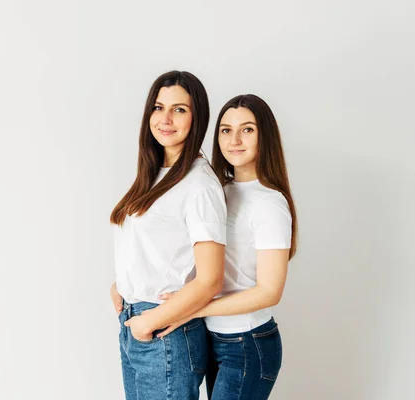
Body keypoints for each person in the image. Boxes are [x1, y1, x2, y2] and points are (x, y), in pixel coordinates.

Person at [118, 94, 299, 399]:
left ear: (265, 136)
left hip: (247, 342)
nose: (235, 140)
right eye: (226, 130)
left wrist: (193, 308)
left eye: (248, 129)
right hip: (215, 337)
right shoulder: (219, 189)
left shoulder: (269, 203)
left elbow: (270, 292)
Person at [109, 70, 227, 400]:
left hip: (163, 331)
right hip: (136, 322)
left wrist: (150, 322)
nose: (165, 119)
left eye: (179, 109)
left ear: (197, 117)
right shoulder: (154, 173)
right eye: (158, 108)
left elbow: (211, 279)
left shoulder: (200, 185)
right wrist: (120, 288)